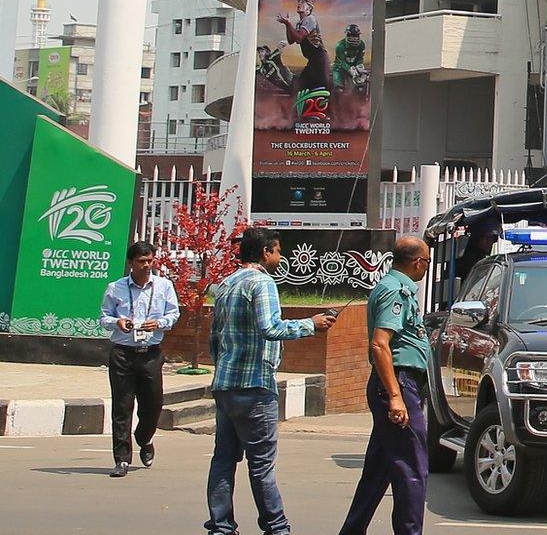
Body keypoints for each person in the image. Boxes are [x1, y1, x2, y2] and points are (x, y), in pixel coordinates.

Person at [206, 227, 336, 535]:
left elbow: (215, 338)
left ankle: (220, 526)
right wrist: (310, 324)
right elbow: (270, 327)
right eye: (278, 251)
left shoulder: (227, 283)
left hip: (226, 384)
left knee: (223, 460)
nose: (281, 257)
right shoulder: (261, 282)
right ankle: (277, 527)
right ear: (266, 252)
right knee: (261, 465)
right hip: (254, 387)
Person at [339, 236, 433, 535]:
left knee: (378, 471)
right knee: (412, 469)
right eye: (428, 261)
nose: (426, 268)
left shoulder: (394, 286)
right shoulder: (396, 291)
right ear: (417, 261)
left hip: (398, 383)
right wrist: (396, 396)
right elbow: (381, 345)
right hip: (398, 382)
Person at [101, 240, 179, 477]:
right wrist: (118, 322)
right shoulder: (115, 288)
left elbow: (174, 313)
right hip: (123, 353)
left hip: (150, 353)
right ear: (131, 263)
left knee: (153, 404)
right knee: (122, 406)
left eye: (150, 261)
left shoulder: (164, 286)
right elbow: (104, 317)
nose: (147, 265)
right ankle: (122, 459)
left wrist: (161, 322)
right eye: (142, 261)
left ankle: (144, 438)